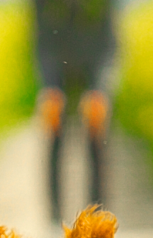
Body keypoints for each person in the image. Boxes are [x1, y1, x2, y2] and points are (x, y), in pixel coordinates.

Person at [33, 0, 117, 224]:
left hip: (93, 63)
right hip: (56, 64)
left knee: (96, 128)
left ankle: (97, 217)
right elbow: (41, 41)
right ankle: (55, 217)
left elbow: (109, 44)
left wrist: (100, 89)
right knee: (54, 126)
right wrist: (49, 88)